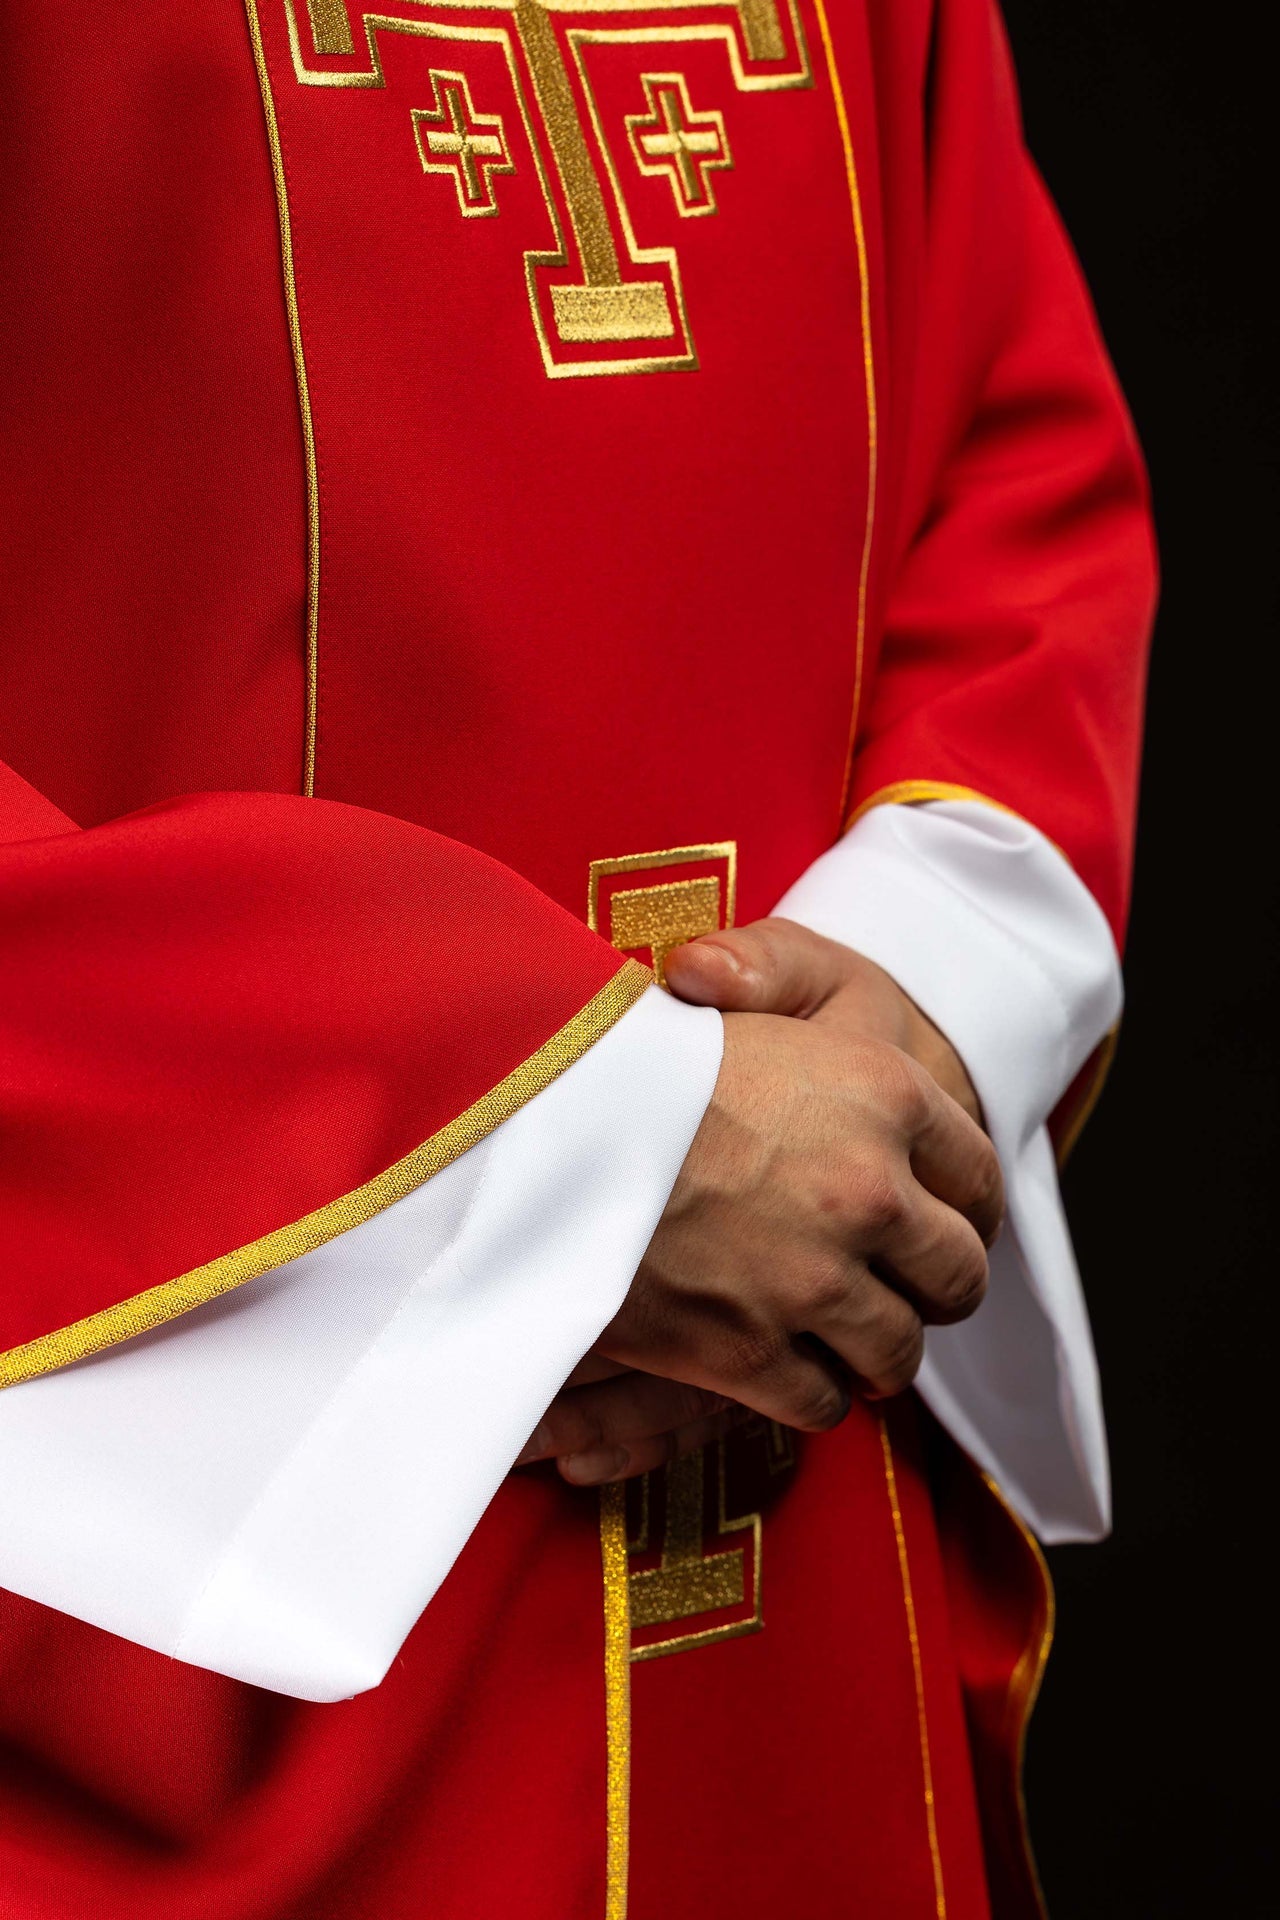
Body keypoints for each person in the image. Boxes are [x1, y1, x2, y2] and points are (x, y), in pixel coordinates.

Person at [0, 0, 1153, 1911]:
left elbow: (1008, 448)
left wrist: (907, 1010)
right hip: (165, 1589)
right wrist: (578, 1155)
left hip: (805, 1577)